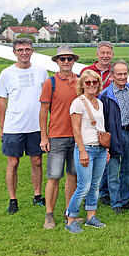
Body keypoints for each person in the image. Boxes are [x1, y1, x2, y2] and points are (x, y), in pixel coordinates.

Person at [0, 37, 48, 214]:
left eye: (27, 49)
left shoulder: (41, 72)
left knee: (37, 162)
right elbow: (2, 101)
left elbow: (47, 100)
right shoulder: (6, 73)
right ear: (14, 52)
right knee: (13, 163)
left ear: (32, 51)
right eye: (20, 50)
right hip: (13, 127)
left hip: (36, 126)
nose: (24, 53)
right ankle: (13, 199)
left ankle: (37, 196)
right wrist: (2, 128)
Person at [38, 45, 79, 229]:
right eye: (62, 59)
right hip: (56, 136)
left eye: (69, 59)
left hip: (77, 137)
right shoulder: (51, 82)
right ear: (57, 61)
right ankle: (49, 214)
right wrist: (44, 137)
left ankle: (69, 212)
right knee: (54, 176)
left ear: (74, 61)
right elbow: (43, 111)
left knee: (73, 175)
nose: (66, 62)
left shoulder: (79, 81)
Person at [64, 70, 109, 233]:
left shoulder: (99, 103)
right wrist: (82, 151)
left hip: (100, 148)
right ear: (82, 85)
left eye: (94, 82)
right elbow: (76, 129)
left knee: (95, 185)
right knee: (84, 186)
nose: (91, 85)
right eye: (88, 82)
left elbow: (101, 127)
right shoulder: (78, 103)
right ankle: (71, 219)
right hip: (87, 148)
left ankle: (91, 216)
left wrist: (106, 148)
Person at [99, 60, 129, 213]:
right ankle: (115, 202)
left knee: (128, 169)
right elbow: (102, 120)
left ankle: (125, 199)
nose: (122, 77)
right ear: (112, 75)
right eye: (119, 74)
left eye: (125, 73)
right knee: (113, 170)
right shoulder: (105, 95)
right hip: (114, 134)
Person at [82, 41, 115, 205]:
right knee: (90, 154)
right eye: (103, 53)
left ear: (112, 55)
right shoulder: (87, 71)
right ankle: (87, 191)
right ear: (97, 54)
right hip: (89, 118)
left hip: (108, 117)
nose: (105, 56)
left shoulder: (114, 72)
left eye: (108, 53)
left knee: (106, 153)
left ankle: (104, 191)